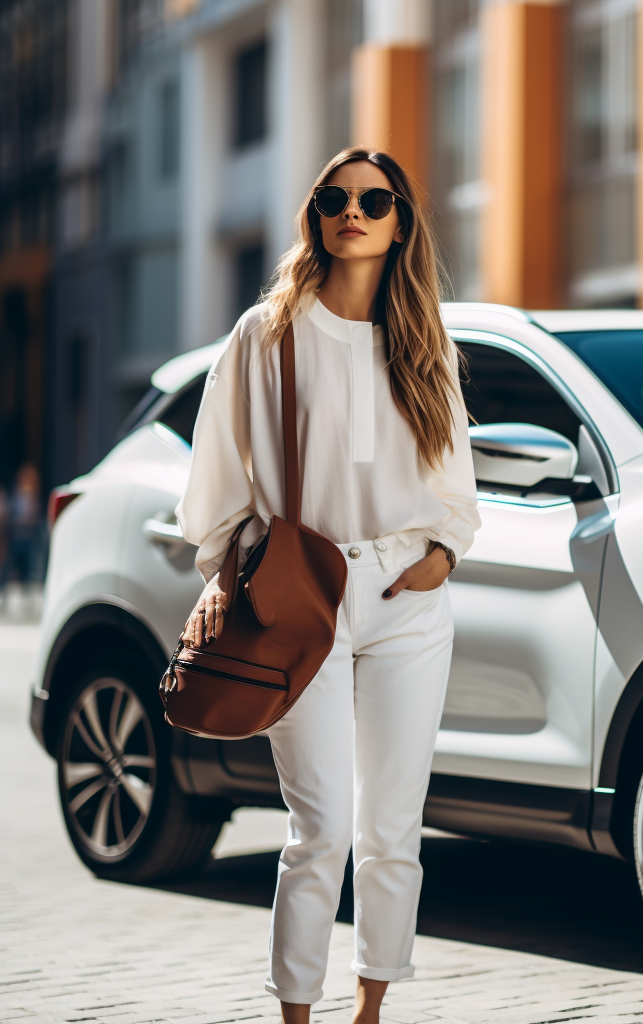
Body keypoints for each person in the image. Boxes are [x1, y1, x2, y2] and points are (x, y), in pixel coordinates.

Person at [176, 148, 480, 1024]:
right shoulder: (265, 333)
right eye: (335, 197)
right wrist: (244, 572)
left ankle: (371, 1011)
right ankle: (296, 1013)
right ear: (315, 214)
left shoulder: (425, 340)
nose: (354, 210)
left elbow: (457, 484)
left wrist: (444, 555)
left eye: (375, 200)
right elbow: (216, 475)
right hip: (295, 594)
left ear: (400, 223)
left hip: (406, 595)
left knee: (392, 831)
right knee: (321, 831)